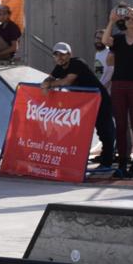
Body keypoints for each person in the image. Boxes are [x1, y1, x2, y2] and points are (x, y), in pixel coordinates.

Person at [41, 42, 115, 172]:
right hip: (84, 105)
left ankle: (107, 161)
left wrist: (50, 84)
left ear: (69, 54)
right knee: (81, 132)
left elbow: (67, 81)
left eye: (63, 54)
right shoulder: (59, 67)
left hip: (100, 100)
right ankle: (83, 160)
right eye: (56, 55)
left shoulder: (77, 63)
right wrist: (46, 83)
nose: (59, 57)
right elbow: (48, 80)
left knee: (105, 131)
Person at [102, 4, 133, 177]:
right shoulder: (118, 38)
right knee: (121, 125)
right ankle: (122, 163)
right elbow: (105, 41)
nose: (130, 19)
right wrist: (111, 21)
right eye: (128, 17)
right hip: (118, 84)